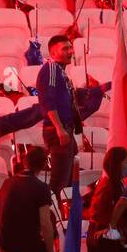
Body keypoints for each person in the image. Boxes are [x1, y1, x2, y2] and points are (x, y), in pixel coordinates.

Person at [0, 146, 57, 252]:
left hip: (5, 240)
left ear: (24, 162)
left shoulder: (7, 182)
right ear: (43, 165)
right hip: (26, 244)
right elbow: (45, 224)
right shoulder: (41, 188)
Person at [36, 34, 81, 194]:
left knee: (66, 180)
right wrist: (59, 128)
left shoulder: (60, 71)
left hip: (64, 129)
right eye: (65, 48)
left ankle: (63, 214)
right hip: (57, 131)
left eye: (70, 47)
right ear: (53, 53)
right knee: (59, 182)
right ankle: (51, 214)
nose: (70, 51)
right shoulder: (52, 69)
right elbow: (48, 101)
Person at [87, 147, 127, 252]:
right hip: (105, 240)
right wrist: (110, 228)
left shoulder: (119, 183)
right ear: (117, 164)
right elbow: (98, 215)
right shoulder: (106, 186)